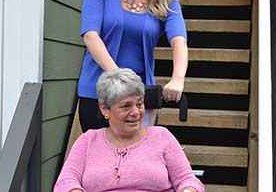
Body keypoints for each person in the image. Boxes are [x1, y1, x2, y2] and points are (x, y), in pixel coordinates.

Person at [78, 0, 188, 131]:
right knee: (100, 161)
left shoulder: (166, 0)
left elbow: (179, 41)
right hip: (97, 95)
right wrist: (120, 79)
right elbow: (91, 36)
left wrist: (177, 79)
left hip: (139, 101)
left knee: (135, 161)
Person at [55, 68, 204, 192]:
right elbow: (65, 183)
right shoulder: (88, 141)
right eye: (126, 106)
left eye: (139, 104)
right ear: (105, 109)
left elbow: (188, 180)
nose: (136, 112)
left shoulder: (161, 137)